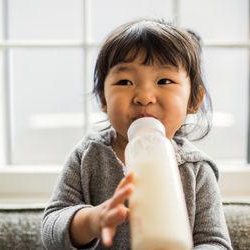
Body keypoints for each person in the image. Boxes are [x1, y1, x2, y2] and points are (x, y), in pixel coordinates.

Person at [41, 18, 232, 250]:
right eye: (125, 81)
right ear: (103, 99)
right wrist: (92, 220)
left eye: (164, 80)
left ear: (193, 100)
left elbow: (215, 242)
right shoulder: (88, 156)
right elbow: (51, 229)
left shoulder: (196, 169)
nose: (144, 96)